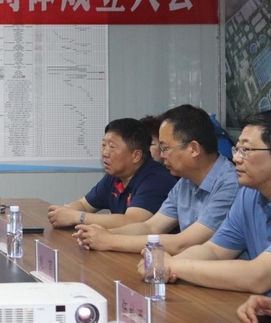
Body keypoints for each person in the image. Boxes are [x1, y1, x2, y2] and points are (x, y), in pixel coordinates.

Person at [75, 104, 238, 255]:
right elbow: (151, 227)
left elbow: (184, 243)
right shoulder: (185, 182)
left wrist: (110, 241)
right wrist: (101, 234)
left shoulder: (230, 184)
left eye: (165, 148)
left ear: (194, 149)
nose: (161, 155)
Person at [138, 111, 271, 294]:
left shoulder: (234, 184)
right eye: (237, 149)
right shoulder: (248, 195)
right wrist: (165, 264)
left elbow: (257, 276)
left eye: (246, 150)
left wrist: (172, 265)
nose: (236, 158)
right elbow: (214, 250)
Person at [48, 118, 177, 229]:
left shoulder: (156, 179)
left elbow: (131, 222)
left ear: (136, 156)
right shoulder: (115, 175)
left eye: (112, 147)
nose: (104, 153)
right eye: (103, 145)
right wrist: (64, 211)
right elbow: (84, 205)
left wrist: (77, 217)